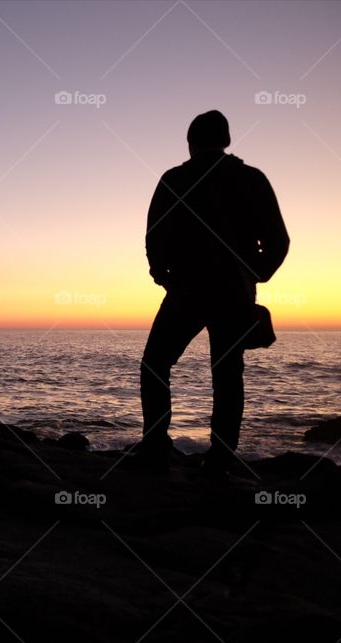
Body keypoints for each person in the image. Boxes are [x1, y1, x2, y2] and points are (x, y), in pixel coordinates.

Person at [136, 110, 289, 477]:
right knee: (227, 371)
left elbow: (154, 236)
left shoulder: (176, 178)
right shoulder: (251, 178)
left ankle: (156, 448)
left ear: (190, 141)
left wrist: (164, 277)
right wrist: (255, 274)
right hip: (233, 292)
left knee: (155, 366)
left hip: (187, 289)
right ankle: (220, 456)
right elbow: (278, 241)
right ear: (226, 140)